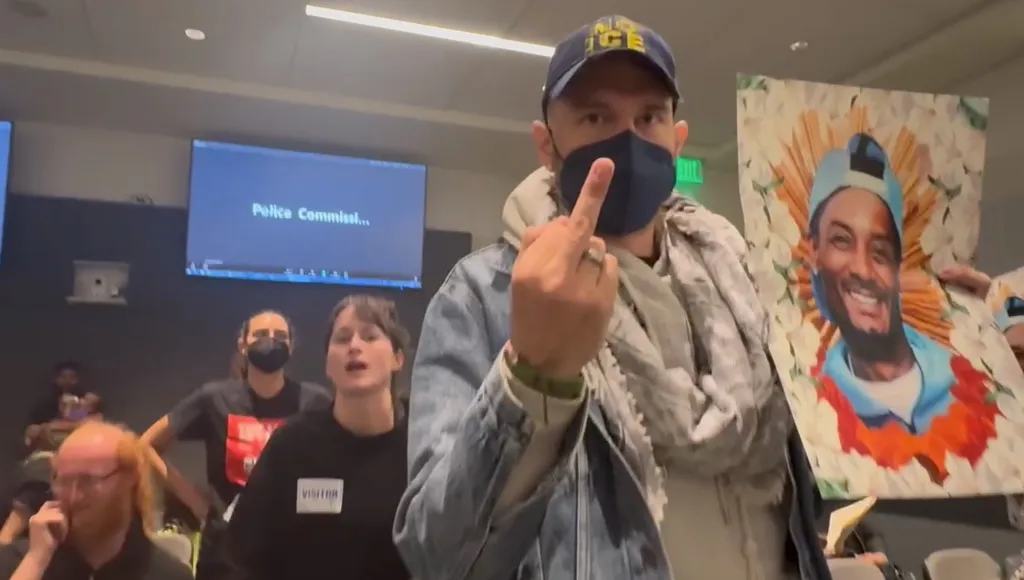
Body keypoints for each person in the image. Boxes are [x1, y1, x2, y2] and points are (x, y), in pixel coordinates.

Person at [394, 15, 828, 580]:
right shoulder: (481, 298)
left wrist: (963, 335)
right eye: (595, 116)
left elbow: (820, 489)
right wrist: (531, 382)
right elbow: (437, 553)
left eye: (649, 116)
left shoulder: (755, 290)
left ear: (677, 139)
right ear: (547, 145)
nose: (628, 138)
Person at [227, 295, 410, 580]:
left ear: (397, 358)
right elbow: (237, 558)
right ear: (327, 364)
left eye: (370, 336)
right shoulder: (291, 446)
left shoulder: (427, 443)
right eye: (342, 338)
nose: (354, 347)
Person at [140, 309, 331, 579]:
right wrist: (195, 504)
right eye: (261, 335)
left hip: (293, 545)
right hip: (225, 547)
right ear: (243, 345)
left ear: (291, 346)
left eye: (280, 336)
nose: (271, 340)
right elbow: (146, 445)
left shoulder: (315, 401)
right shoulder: (214, 398)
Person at [809, 134, 963, 433]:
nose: (864, 270)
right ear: (814, 252)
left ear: (897, 265)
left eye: (880, 251)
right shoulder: (813, 405)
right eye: (842, 240)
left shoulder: (962, 377)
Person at [0, 421, 193, 580]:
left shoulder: (169, 575)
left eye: (89, 481)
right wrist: (36, 561)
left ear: (130, 479)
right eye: (63, 481)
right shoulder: (20, 560)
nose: (74, 497)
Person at [24, 362, 103, 452]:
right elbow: (29, 435)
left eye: (72, 377)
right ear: (55, 379)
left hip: (84, 449)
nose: (67, 381)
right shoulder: (44, 407)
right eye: (63, 377)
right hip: (51, 451)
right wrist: (39, 430)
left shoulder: (90, 404)